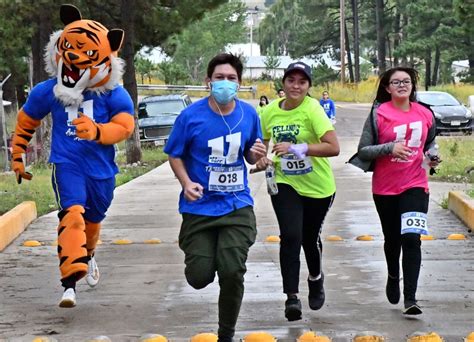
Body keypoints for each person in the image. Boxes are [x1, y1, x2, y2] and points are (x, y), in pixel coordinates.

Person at [10, 4, 134, 308]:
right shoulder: (49, 90)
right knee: (72, 214)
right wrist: (18, 154)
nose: (76, 61)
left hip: (101, 169)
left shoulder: (112, 92)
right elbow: (27, 119)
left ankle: (88, 255)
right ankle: (69, 283)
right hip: (67, 163)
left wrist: (97, 132)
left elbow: (125, 126)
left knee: (92, 220)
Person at [164, 53, 266, 342]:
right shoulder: (191, 116)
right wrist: (186, 183)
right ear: (208, 81)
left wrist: (257, 157)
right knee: (199, 277)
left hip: (237, 205)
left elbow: (250, 152)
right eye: (219, 78)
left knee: (232, 270)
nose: (225, 83)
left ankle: (226, 335)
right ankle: (195, 250)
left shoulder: (249, 114)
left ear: (239, 83)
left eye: (231, 78)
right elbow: (174, 154)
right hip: (199, 207)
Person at [253, 61, 340, 321]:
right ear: (283, 83)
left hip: (318, 187)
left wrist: (298, 148)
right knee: (290, 235)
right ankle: (291, 297)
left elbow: (333, 147)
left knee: (309, 238)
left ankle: (315, 277)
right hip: (285, 182)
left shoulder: (312, 109)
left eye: (302, 82)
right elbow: (260, 146)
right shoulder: (268, 112)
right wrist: (259, 159)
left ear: (308, 86)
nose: (296, 86)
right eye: (291, 80)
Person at [350, 67, 438, 315]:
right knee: (393, 239)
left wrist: (433, 156)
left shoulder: (425, 113)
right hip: (385, 189)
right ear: (387, 88)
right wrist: (389, 148)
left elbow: (430, 142)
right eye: (396, 82)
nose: (402, 85)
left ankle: (411, 298)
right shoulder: (379, 114)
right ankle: (392, 275)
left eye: (406, 81)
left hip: (416, 185)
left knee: (411, 238)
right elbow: (364, 150)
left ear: (412, 86)